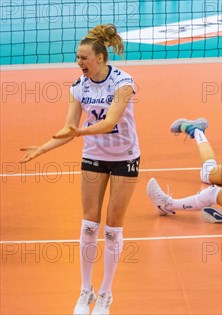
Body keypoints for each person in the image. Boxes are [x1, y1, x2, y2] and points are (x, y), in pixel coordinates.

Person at [19, 24, 139, 314]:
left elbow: (109, 123)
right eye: (77, 57)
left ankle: (106, 294)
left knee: (112, 229)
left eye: (83, 57)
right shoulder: (78, 87)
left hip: (125, 157)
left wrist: (80, 132)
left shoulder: (123, 82)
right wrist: (42, 148)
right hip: (94, 157)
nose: (79, 62)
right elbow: (68, 127)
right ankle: (85, 292)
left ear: (100, 57)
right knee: (89, 225)